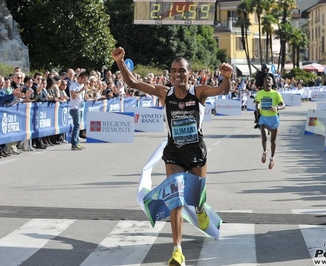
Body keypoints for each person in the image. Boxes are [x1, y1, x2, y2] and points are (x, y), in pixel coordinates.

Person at [112, 46, 232, 266]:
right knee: (175, 199)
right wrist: (120, 62)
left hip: (196, 151)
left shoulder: (199, 92)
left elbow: (223, 90)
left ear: (189, 73)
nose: (178, 74)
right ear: (170, 74)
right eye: (174, 70)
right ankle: (177, 250)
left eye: (182, 70)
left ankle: (200, 209)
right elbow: (133, 84)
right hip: (174, 153)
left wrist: (227, 77)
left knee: (196, 199)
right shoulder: (164, 93)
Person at [254, 74, 285, 170]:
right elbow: (257, 103)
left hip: (273, 118)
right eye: (266, 80)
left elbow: (283, 105)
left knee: (273, 140)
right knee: (264, 137)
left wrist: (276, 108)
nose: (267, 81)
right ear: (263, 82)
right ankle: (264, 151)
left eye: (269, 80)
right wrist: (258, 108)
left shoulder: (276, 94)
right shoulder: (260, 93)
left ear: (272, 82)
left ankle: (272, 158)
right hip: (263, 117)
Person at [69, 71, 88, 151]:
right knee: (76, 125)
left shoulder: (82, 86)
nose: (84, 81)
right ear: (79, 78)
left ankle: (76, 142)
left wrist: (86, 93)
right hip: (75, 108)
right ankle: (74, 144)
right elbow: (73, 96)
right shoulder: (73, 85)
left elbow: (84, 97)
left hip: (80, 108)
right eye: (84, 79)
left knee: (78, 126)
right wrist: (81, 90)